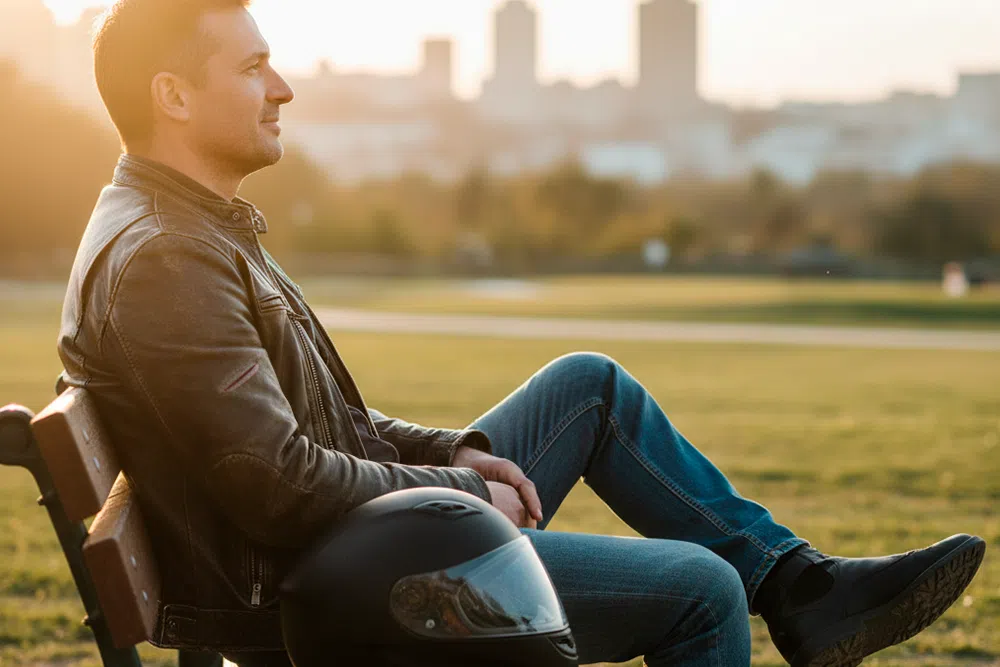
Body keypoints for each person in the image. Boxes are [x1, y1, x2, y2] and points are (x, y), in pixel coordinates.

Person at [58, 1, 985, 665]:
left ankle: (799, 586)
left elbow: (316, 425)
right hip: (323, 581)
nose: (285, 88)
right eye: (253, 68)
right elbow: (279, 484)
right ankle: (781, 592)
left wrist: (455, 452)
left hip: (337, 533)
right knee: (699, 591)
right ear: (173, 96)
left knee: (590, 385)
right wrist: (458, 487)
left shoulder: (187, 225)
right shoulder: (166, 261)